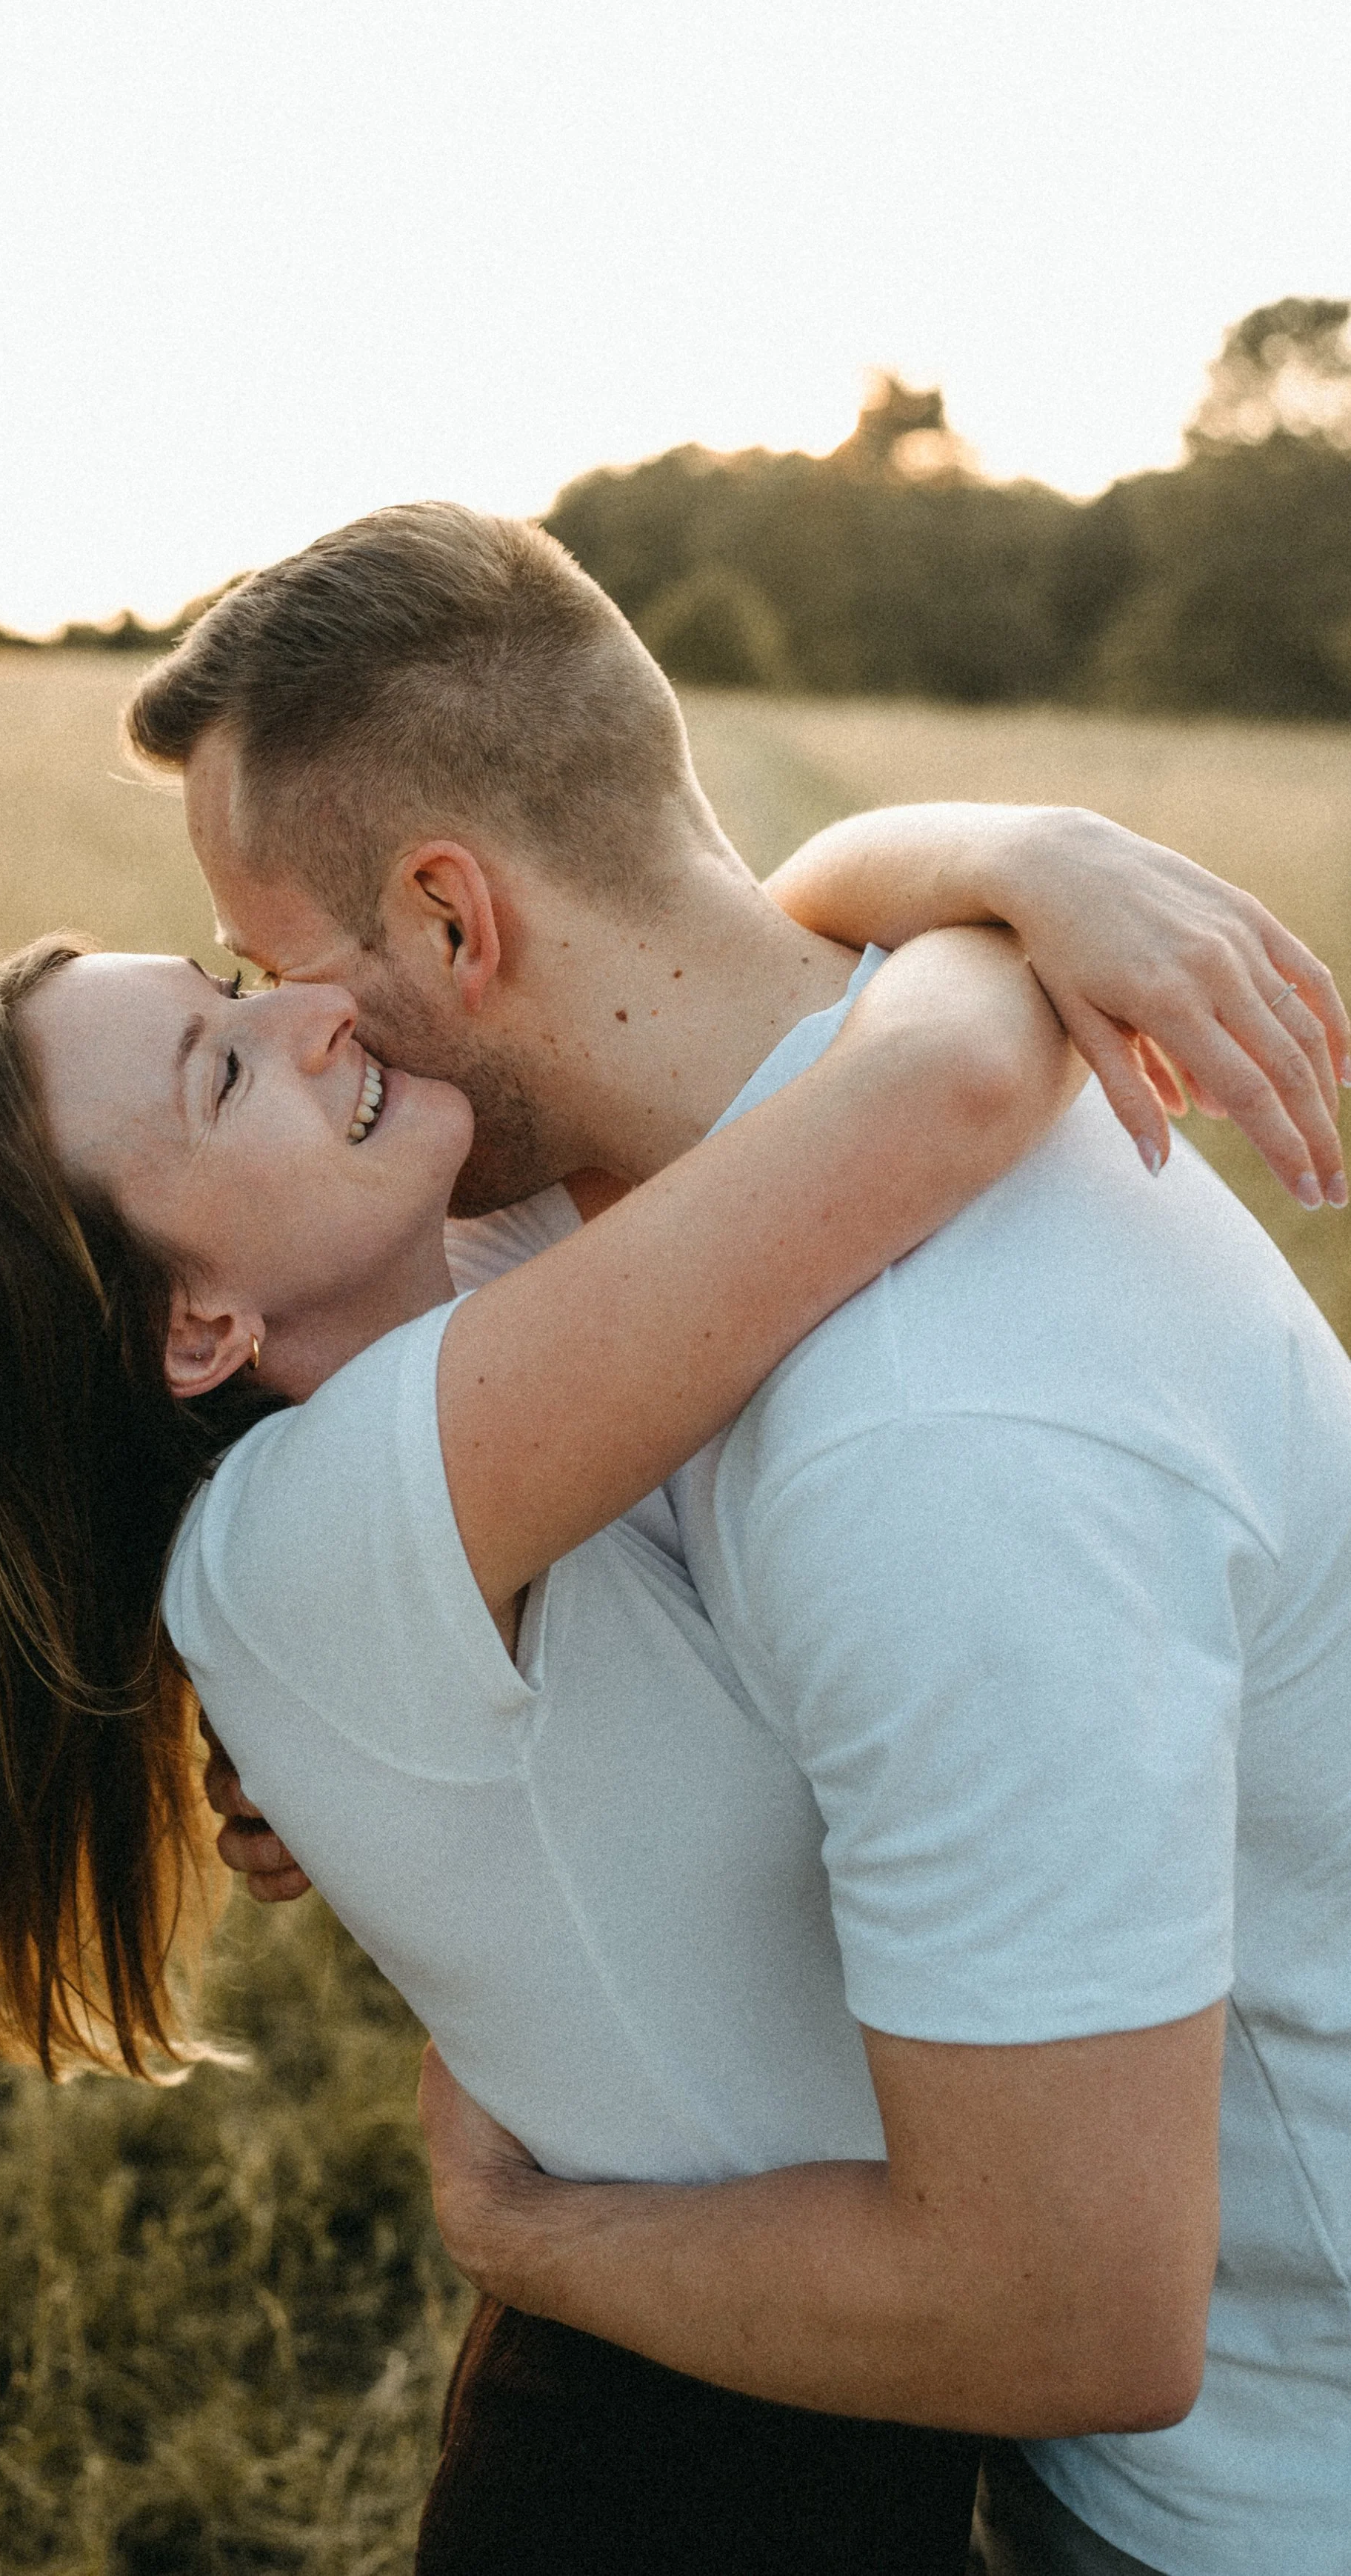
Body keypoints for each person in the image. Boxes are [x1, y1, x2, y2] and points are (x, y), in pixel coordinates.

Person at [122, 504, 1351, 2576]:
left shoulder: (942, 1434)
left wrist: (535, 2236)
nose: (293, 1030)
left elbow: (1064, 2311)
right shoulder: (657, 1146)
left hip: (1250, 2490)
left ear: (447, 920)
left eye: (279, 968)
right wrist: (1009, 855)